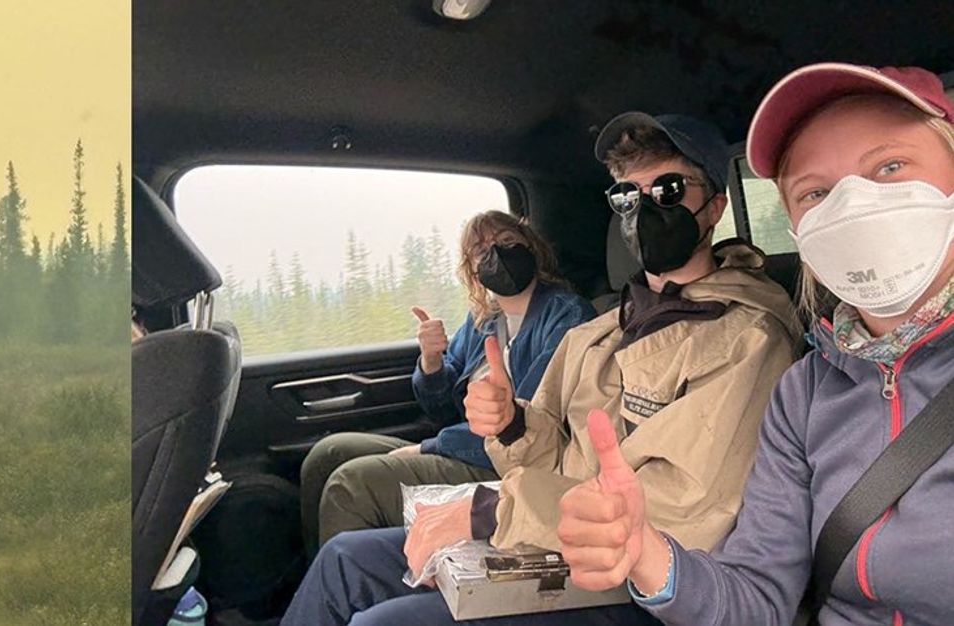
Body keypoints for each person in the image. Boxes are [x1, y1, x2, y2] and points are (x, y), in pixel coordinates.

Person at [280, 111, 801, 626]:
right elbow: (552, 456)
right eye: (626, 196)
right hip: (555, 537)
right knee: (344, 560)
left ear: (713, 207)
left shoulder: (748, 339)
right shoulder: (598, 334)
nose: (644, 211)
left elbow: (682, 513)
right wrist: (511, 422)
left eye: (667, 190)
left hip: (637, 577)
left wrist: (488, 510)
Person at [558, 63, 954, 626]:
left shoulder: (752, 336)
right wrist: (650, 555)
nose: (851, 204)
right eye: (816, 191)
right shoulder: (805, 394)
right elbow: (758, 597)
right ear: (796, 224)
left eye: (889, 166)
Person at [299, 211, 593, 553]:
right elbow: (440, 408)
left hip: (509, 465)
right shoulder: (484, 319)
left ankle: (356, 593)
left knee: (351, 484)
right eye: (481, 249)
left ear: (531, 246)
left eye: (507, 241)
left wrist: (431, 446)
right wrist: (432, 360)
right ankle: (316, 578)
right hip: (463, 448)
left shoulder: (567, 315)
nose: (495, 253)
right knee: (327, 454)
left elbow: (527, 424)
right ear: (472, 268)